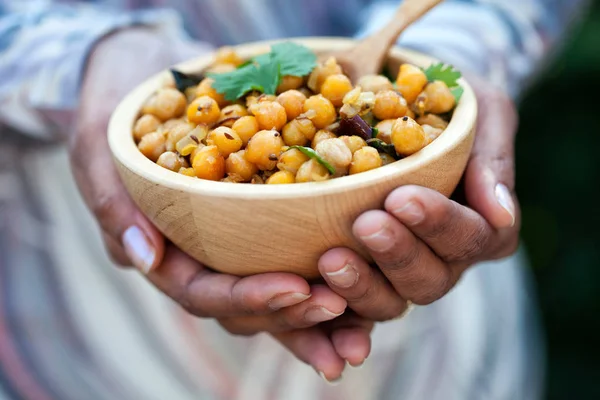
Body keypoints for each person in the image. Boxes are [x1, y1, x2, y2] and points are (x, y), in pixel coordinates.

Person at [0, 0, 588, 399]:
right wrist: (80, 61)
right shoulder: (192, 132)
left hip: (440, 361)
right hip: (89, 352)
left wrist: (456, 45)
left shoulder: (383, 112)